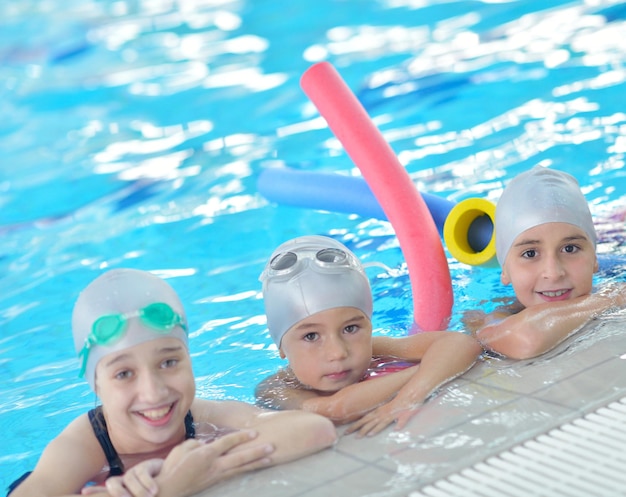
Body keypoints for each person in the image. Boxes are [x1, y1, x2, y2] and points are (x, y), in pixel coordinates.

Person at [8, 268, 336, 497]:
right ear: (96, 385)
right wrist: (169, 487)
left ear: (189, 360)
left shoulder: (200, 414)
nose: (154, 391)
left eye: (168, 362)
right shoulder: (86, 444)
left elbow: (314, 430)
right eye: (124, 374)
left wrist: (207, 467)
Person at [255, 235, 482, 437]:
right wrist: (427, 369)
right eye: (311, 336)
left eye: (350, 329)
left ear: (369, 326)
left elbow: (461, 342)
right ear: (281, 346)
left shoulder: (378, 350)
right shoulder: (276, 389)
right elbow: (336, 410)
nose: (338, 352)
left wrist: (411, 396)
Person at [465, 166, 626, 360]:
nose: (553, 272)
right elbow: (526, 339)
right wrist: (611, 299)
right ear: (505, 270)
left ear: (594, 259)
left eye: (570, 248)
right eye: (530, 253)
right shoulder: (488, 315)